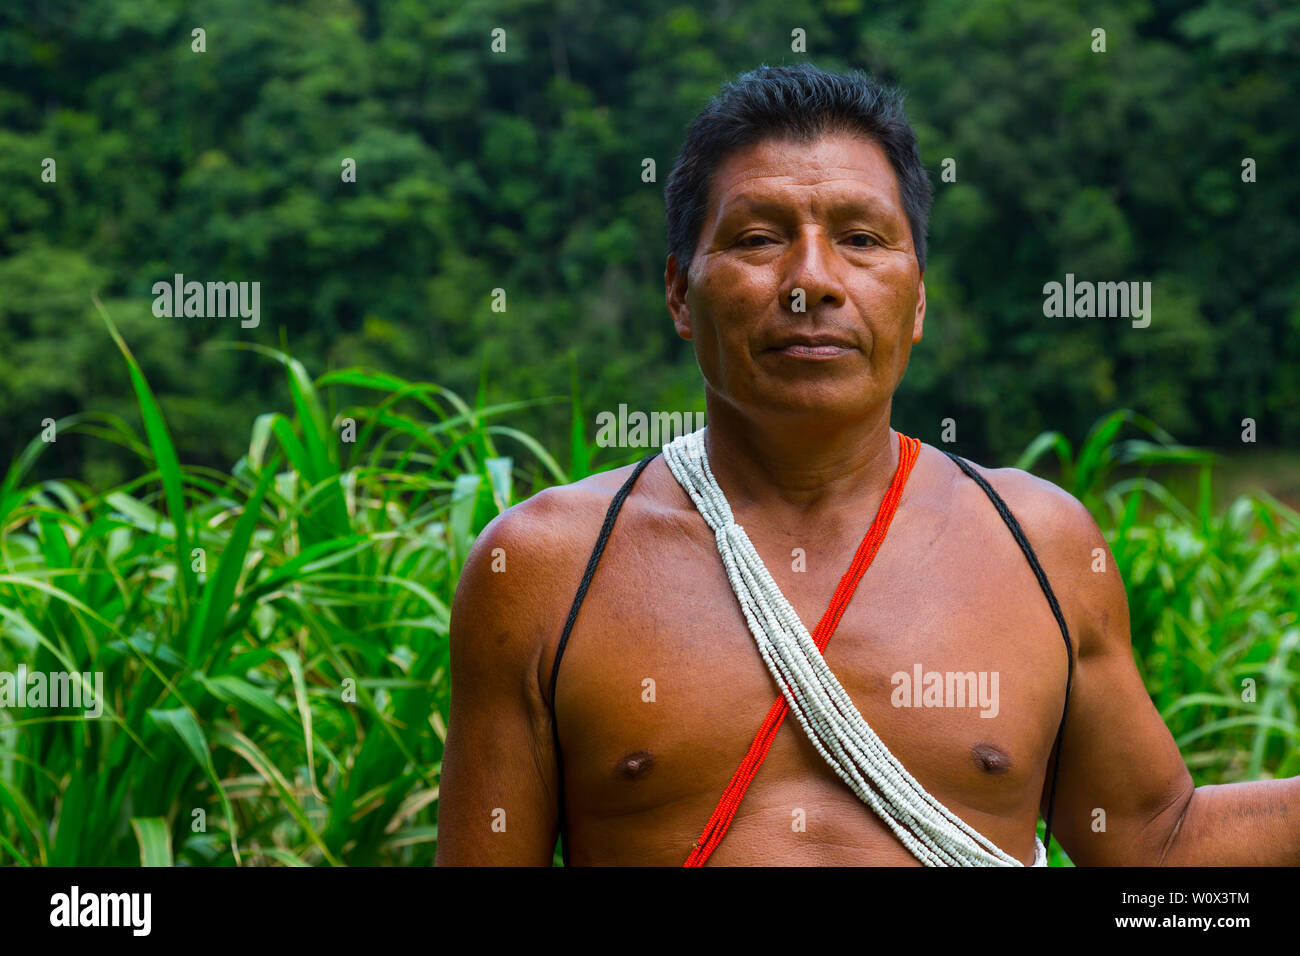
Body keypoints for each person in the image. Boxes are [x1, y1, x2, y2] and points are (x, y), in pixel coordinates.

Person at [434, 63, 1297, 866]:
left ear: (916, 299)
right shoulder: (546, 567)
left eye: (861, 239)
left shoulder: (1039, 544)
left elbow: (1157, 844)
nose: (812, 281)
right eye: (760, 239)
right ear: (678, 294)